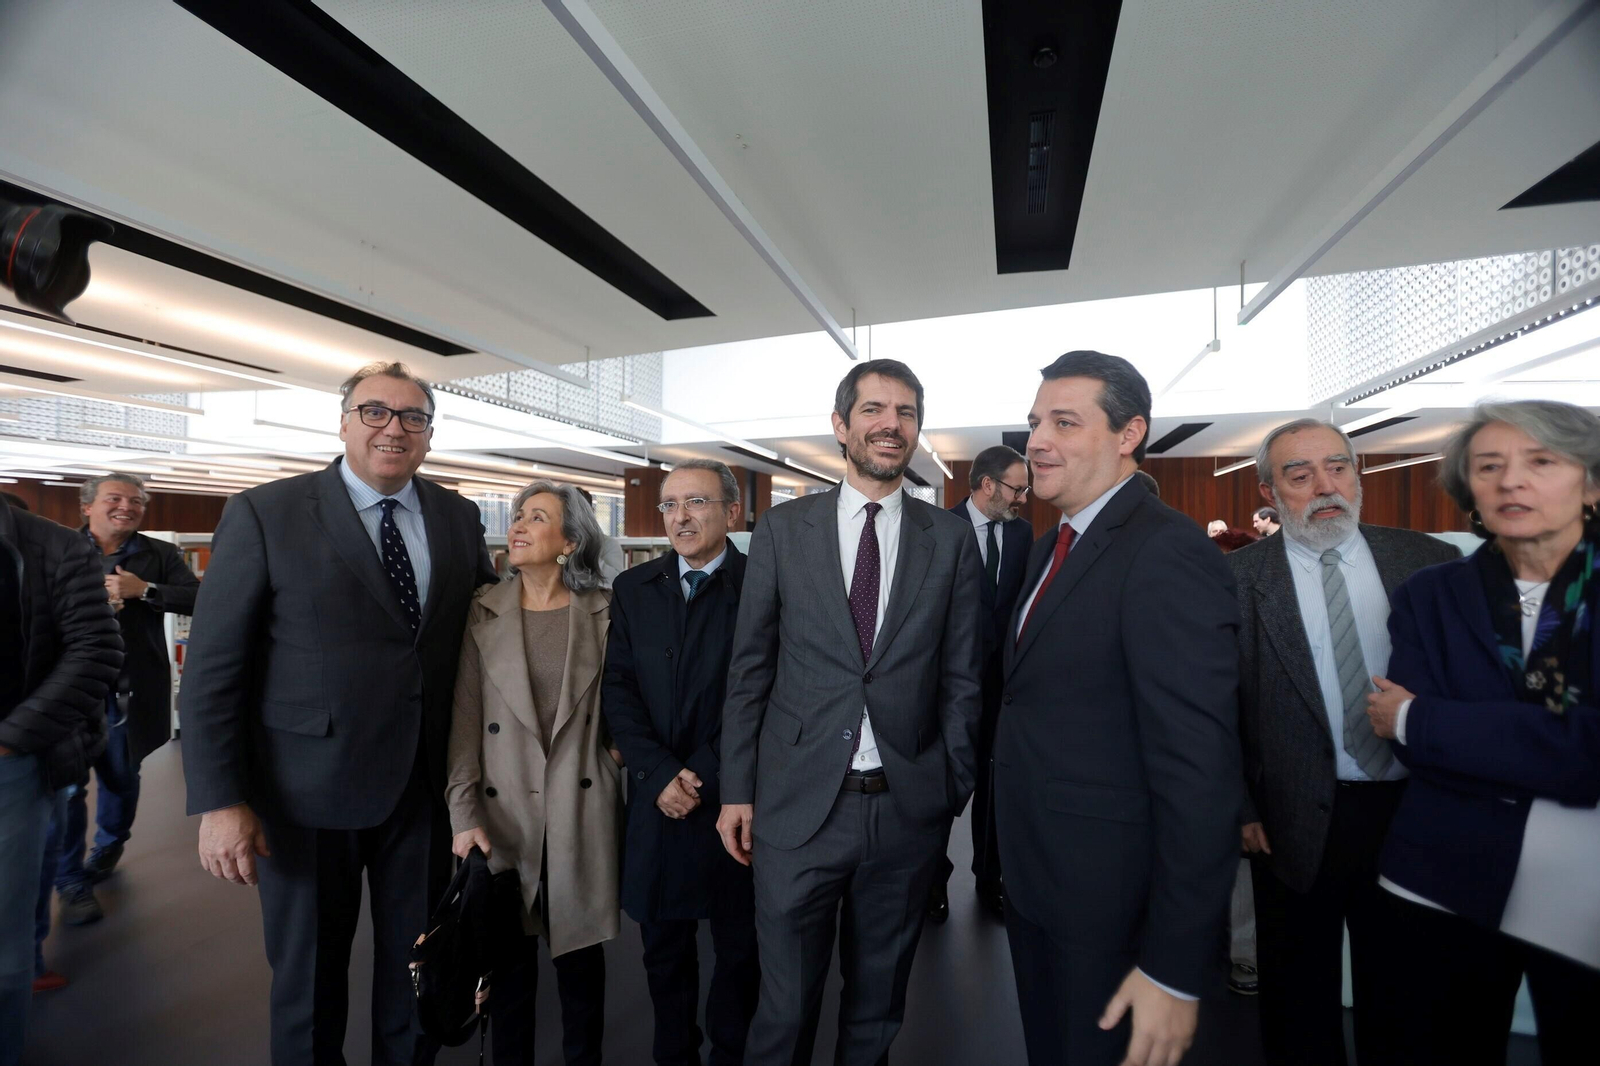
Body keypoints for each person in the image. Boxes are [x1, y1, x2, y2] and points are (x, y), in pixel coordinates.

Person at [180, 361, 498, 1066]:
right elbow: (212, 669)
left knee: (419, 973)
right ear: (345, 421)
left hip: (422, 790)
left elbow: (482, 634)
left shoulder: (456, 516)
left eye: (413, 417)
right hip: (304, 794)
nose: (394, 428)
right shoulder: (267, 512)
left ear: (428, 434)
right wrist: (221, 799)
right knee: (309, 986)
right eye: (375, 411)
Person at [718, 358, 983, 1066]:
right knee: (784, 1011)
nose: (889, 425)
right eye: (873, 410)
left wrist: (948, 786)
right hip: (798, 807)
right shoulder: (782, 530)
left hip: (904, 810)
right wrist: (737, 789)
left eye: (904, 412)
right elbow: (750, 669)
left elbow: (963, 675)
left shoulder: (950, 539)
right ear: (842, 426)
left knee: (876, 1011)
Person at [996, 350, 1241, 1066]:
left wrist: (1174, 962)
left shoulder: (1167, 552)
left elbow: (1201, 774)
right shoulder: (1051, 549)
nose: (1037, 440)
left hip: (1117, 912)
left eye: (1064, 422)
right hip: (1043, 885)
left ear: (1129, 433)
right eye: (1035, 421)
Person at [1365, 400, 1600, 1066]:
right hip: (1443, 879)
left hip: (1587, 892)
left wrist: (1427, 717)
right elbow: (1401, 738)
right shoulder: (1430, 591)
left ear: (1592, 483)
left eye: (1541, 462)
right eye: (1488, 466)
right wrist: (1425, 727)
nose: (1510, 481)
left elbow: (1588, 754)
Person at [1229, 418, 1457, 1065]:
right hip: (1288, 816)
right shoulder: (1236, 579)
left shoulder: (1429, 562)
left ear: (1356, 475)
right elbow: (1217, 709)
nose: (1324, 486)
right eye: (1299, 476)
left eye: (1337, 467)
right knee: (1298, 998)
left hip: (1411, 811)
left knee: (1407, 993)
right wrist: (1239, 805)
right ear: (1270, 492)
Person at [448, 480, 617, 1066]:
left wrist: (613, 760)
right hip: (503, 817)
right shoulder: (482, 610)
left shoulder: (606, 611)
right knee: (509, 983)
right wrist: (463, 812)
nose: (517, 525)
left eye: (536, 517)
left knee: (582, 977)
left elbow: (626, 705)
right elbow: (465, 724)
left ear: (570, 541)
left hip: (580, 808)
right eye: (518, 515)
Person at [603, 459, 759, 1066]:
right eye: (670, 504)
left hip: (734, 796)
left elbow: (766, 693)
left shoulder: (762, 585)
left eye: (696, 502)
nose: (681, 516)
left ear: (732, 511)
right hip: (656, 798)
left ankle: (730, 1053)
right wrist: (656, 772)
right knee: (662, 952)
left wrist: (701, 772)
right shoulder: (633, 589)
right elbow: (618, 688)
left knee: (739, 950)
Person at [0, 491, 120, 1065]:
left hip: (17, 762)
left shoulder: (49, 546)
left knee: (5, 941)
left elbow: (95, 648)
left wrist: (12, 737)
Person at [53, 473, 199, 927]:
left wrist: (146, 591)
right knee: (69, 787)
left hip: (128, 691)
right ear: (86, 506)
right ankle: (70, 877)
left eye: (136, 501)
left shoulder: (160, 554)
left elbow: (202, 598)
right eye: (115, 498)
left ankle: (111, 843)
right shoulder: (59, 548)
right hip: (69, 691)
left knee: (121, 774)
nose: (127, 507)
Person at [932, 443, 1032, 921]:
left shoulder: (1023, 536)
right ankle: (933, 880)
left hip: (1000, 691)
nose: (1023, 498)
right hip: (943, 688)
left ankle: (990, 880)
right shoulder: (937, 529)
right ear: (987, 485)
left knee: (994, 791)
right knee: (938, 786)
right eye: (1017, 487)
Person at [576, 486, 626, 587]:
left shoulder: (608, 544)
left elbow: (615, 583)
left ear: (591, 512)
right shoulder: (556, 543)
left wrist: (586, 549)